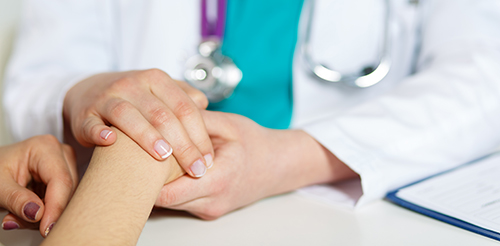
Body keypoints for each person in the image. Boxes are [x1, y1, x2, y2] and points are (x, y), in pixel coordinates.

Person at [3, 0, 500, 222]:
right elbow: (34, 83)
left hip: (334, 217)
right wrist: (81, 91)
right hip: (155, 218)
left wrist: (289, 157)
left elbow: (485, 80)